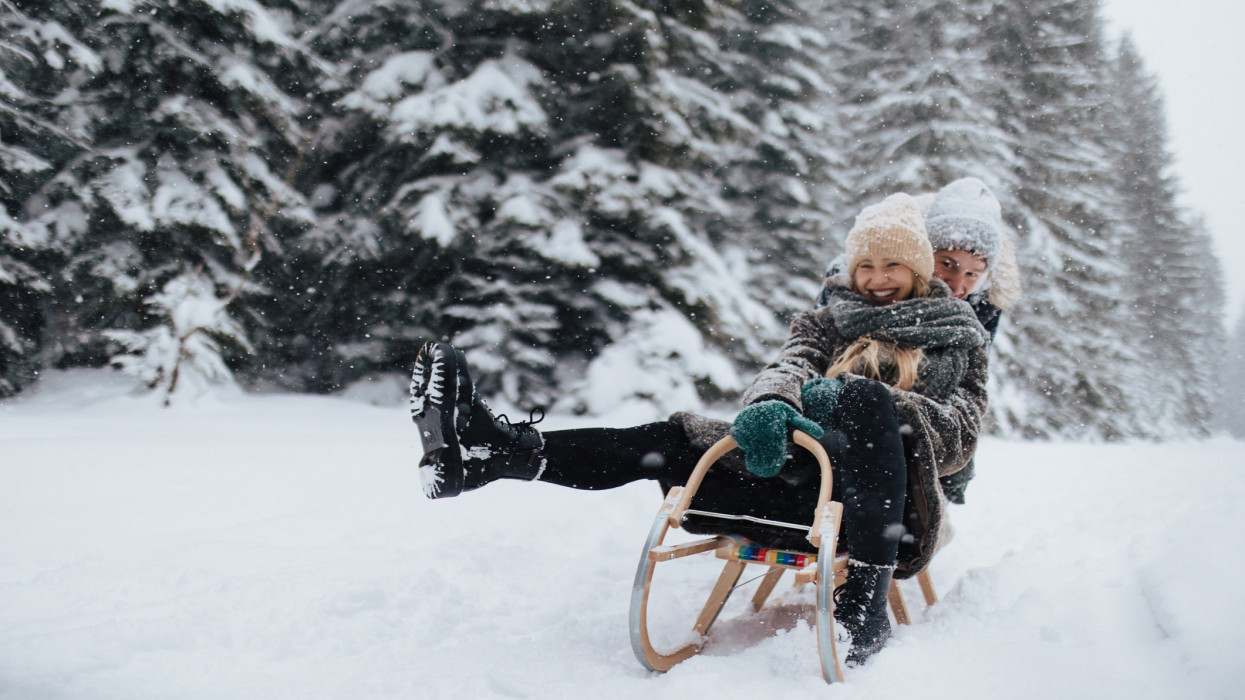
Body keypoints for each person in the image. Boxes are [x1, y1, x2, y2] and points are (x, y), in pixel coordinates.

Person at [410, 194, 989, 665]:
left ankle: (863, 600)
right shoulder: (824, 320)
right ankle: (495, 454)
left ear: (916, 271)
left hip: (890, 509)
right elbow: (786, 366)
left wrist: (866, 404)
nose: (877, 278)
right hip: (795, 485)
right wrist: (771, 402)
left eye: (892, 266)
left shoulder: (959, 337)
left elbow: (962, 435)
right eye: (866, 264)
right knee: (672, 440)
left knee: (864, 399)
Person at [816, 177, 1022, 503]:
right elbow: (818, 347)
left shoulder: (980, 309)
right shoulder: (868, 288)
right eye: (947, 265)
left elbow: (968, 388)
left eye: (973, 273)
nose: (958, 284)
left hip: (919, 427)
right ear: (922, 256)